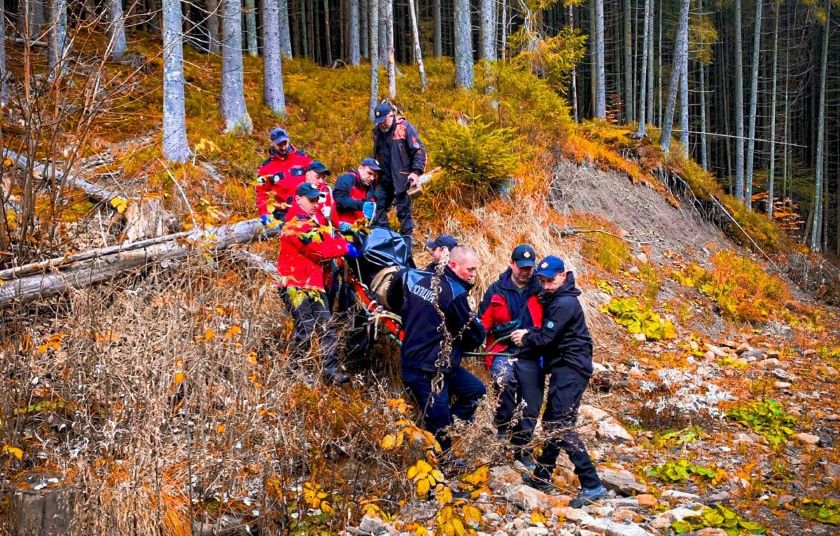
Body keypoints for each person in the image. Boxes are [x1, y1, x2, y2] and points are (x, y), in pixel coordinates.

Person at [510, 256, 608, 508]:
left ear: (563, 276)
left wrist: (526, 336)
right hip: (566, 366)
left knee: (560, 424)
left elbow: (547, 337)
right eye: (541, 281)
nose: (545, 286)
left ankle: (591, 482)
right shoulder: (557, 297)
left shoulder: (564, 302)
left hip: (572, 367)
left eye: (550, 280)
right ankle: (543, 475)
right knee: (553, 419)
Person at [389, 246, 486, 462]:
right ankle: (441, 466)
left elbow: (396, 287)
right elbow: (476, 336)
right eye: (470, 269)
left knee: (476, 390)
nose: (473, 274)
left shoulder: (417, 277)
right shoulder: (456, 294)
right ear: (453, 265)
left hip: (432, 361)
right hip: (427, 370)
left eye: (475, 270)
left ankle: (448, 427)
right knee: (439, 423)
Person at [277, 182, 362, 386]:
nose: (315, 204)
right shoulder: (296, 223)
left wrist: (342, 242)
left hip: (312, 285)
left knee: (326, 328)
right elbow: (319, 251)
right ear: (298, 199)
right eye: (311, 200)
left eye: (317, 200)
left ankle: (329, 373)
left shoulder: (311, 221)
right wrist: (344, 247)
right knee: (305, 329)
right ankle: (295, 371)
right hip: (295, 285)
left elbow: (326, 242)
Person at [478, 245, 541, 461]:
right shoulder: (495, 290)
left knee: (530, 401)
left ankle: (521, 446)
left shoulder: (541, 290)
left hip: (531, 352)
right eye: (521, 267)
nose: (525, 272)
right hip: (501, 350)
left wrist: (529, 334)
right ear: (511, 264)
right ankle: (503, 428)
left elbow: (550, 325)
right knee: (505, 381)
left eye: (529, 268)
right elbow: (482, 323)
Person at [372, 102, 427, 266]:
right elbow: (377, 152)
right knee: (378, 207)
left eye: (384, 119)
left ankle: (406, 253)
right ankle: (387, 243)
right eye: (379, 121)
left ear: (391, 115)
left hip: (402, 178)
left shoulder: (404, 127)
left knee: (404, 215)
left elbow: (419, 150)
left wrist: (416, 172)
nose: (382, 123)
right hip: (384, 178)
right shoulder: (377, 132)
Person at [256, 127, 313, 226]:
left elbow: (316, 177)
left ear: (288, 141)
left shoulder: (303, 157)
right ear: (272, 143)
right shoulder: (265, 167)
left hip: (307, 206)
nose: (283, 147)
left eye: (285, 143)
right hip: (284, 213)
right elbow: (261, 192)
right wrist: (264, 213)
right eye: (279, 145)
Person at [334, 157, 380, 227]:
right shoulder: (346, 179)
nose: (372, 178)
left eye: (374, 176)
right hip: (343, 225)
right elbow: (340, 200)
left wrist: (374, 216)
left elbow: (372, 206)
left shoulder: (370, 187)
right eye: (369, 173)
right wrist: (361, 205)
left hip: (361, 227)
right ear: (360, 168)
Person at [303, 161, 339, 229]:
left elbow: (334, 220)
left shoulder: (326, 191)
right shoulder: (300, 193)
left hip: (327, 231)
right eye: (318, 177)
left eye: (323, 178)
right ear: (307, 175)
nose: (321, 181)